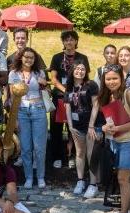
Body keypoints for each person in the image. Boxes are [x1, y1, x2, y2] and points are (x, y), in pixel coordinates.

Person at [98, 64, 130, 213]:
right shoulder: (108, 96)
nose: (111, 82)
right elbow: (110, 120)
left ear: (121, 79)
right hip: (115, 142)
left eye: (114, 78)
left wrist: (117, 129)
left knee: (123, 179)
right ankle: (126, 210)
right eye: (108, 79)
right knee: (121, 178)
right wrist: (104, 128)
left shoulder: (128, 93)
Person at [49, 30, 90, 169]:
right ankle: (57, 157)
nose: (69, 42)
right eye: (66, 40)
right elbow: (53, 79)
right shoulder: (56, 57)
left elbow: (85, 77)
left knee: (75, 128)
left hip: (77, 98)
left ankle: (72, 155)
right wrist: (65, 91)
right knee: (56, 129)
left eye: (72, 39)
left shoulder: (83, 57)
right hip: (59, 97)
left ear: (76, 41)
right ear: (63, 42)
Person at [8, 47, 48, 189]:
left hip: (38, 110)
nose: (29, 59)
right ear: (21, 57)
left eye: (32, 57)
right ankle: (29, 177)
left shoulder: (39, 72)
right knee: (25, 147)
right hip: (21, 112)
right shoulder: (13, 74)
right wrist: (15, 118)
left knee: (39, 147)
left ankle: (41, 176)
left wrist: (44, 84)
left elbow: (47, 93)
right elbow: (12, 97)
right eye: (26, 57)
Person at [65, 61, 102, 198]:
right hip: (77, 127)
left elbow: (96, 105)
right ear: (72, 70)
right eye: (77, 68)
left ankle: (93, 185)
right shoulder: (69, 87)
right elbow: (68, 108)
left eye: (82, 69)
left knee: (91, 154)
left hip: (91, 126)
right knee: (79, 153)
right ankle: (80, 181)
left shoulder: (91, 85)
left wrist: (91, 125)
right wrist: (70, 126)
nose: (80, 71)